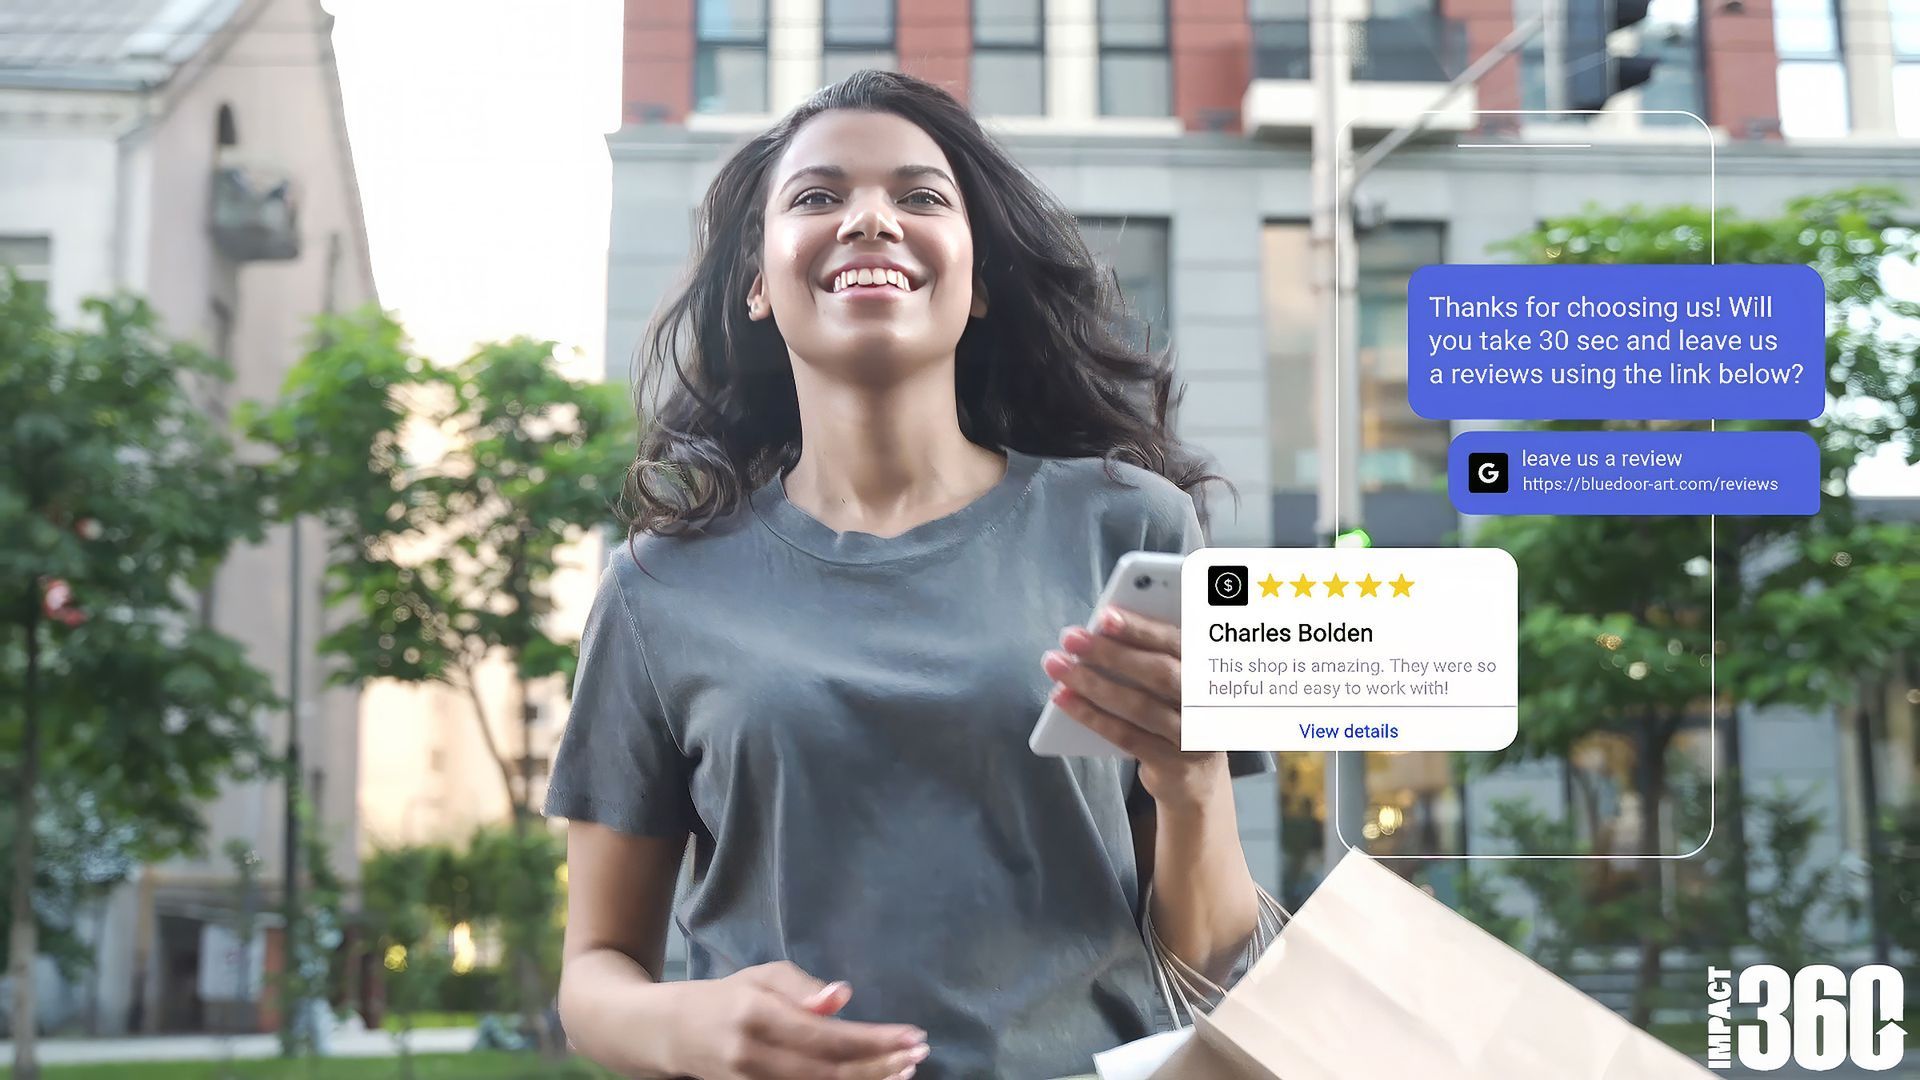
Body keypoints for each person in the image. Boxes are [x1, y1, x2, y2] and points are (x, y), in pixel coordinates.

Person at [546, 69, 1274, 1080]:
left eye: (920, 197)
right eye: (817, 197)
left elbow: (1215, 962)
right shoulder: (657, 592)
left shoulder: (1131, 529)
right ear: (759, 280)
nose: (871, 220)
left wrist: (1192, 781)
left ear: (976, 279)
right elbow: (594, 972)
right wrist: (690, 1029)